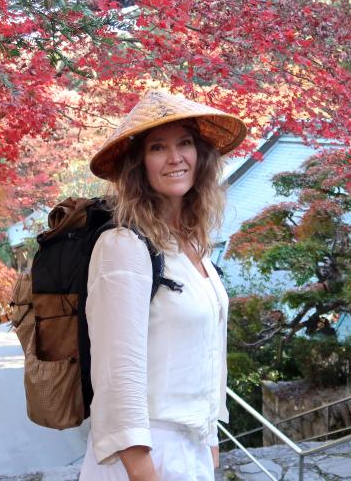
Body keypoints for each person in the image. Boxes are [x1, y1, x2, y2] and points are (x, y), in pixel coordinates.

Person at [79, 90, 247, 481]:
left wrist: (210, 439)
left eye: (184, 143)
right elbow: (116, 373)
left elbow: (207, 350)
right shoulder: (123, 246)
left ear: (200, 155)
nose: (175, 157)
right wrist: (142, 471)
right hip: (145, 454)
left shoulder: (191, 246)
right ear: (139, 165)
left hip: (190, 448)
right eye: (158, 147)